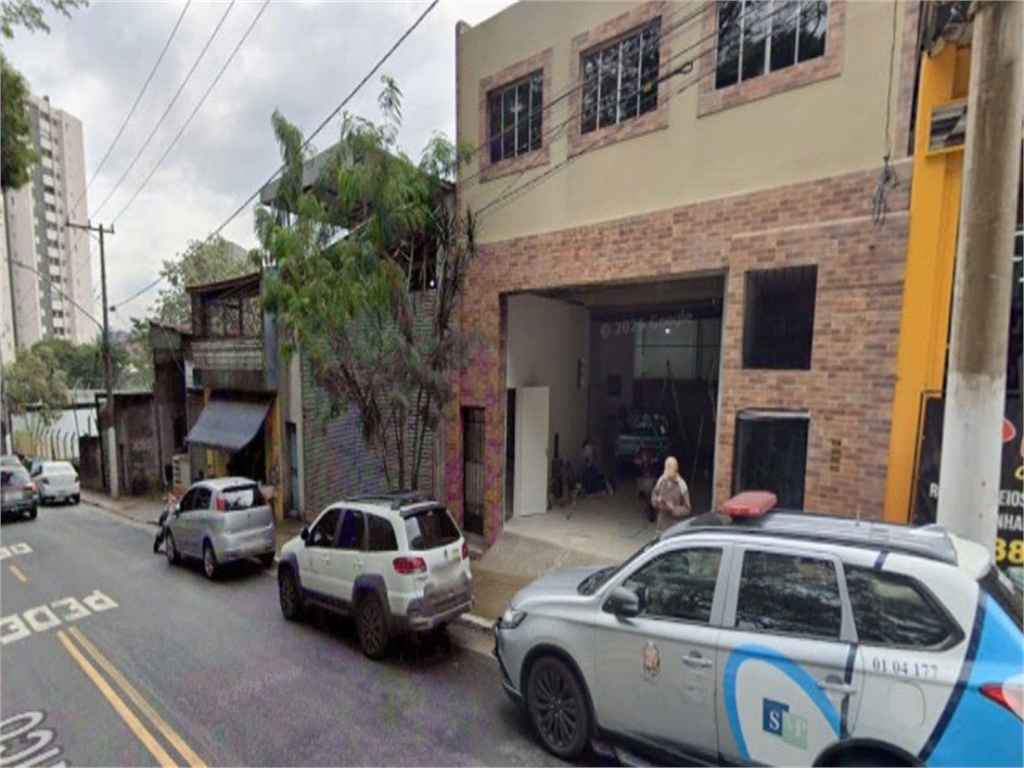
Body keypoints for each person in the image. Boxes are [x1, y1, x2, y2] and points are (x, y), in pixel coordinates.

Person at [651, 456, 691, 533]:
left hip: (675, 527)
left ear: (676, 469)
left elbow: (687, 508)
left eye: (670, 469)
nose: (667, 472)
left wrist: (674, 509)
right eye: (666, 469)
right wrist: (657, 501)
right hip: (661, 526)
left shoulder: (681, 485)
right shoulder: (661, 481)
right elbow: (653, 495)